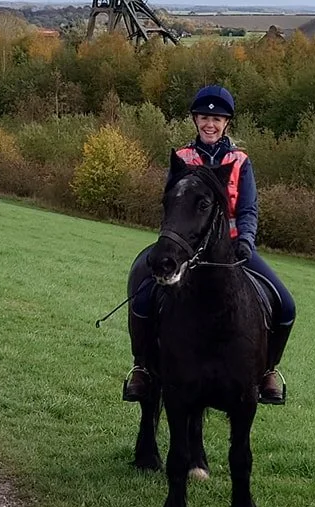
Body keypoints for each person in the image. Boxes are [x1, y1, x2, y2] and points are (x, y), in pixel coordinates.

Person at [124, 84, 295, 404]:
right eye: (204, 117)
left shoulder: (241, 161)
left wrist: (245, 240)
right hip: (183, 248)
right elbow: (170, 203)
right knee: (143, 296)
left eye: (217, 119)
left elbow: (247, 209)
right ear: (194, 120)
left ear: (227, 123)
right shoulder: (183, 158)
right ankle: (143, 369)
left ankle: (268, 370)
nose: (210, 124)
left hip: (231, 250)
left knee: (286, 305)